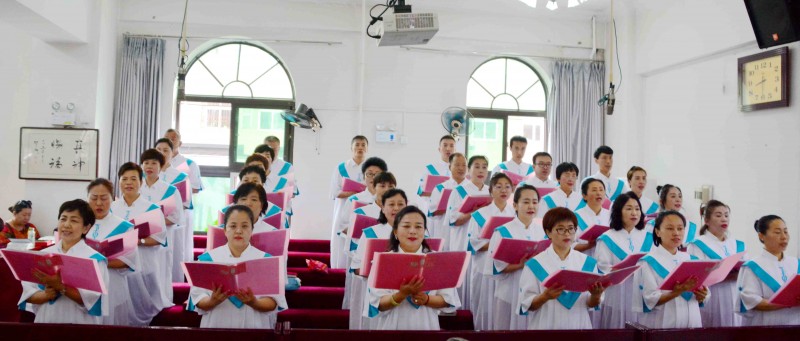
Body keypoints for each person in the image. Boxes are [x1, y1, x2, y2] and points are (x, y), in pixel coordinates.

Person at [189, 205, 288, 329]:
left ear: (252, 230)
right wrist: (212, 301)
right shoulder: (207, 260)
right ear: (225, 230)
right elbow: (197, 299)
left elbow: (274, 302)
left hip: (254, 326)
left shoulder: (266, 260)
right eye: (233, 226)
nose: (239, 231)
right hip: (217, 324)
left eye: (245, 226)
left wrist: (254, 302)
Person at [366, 206, 461, 330]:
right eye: (406, 226)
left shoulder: (437, 260)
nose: (412, 231)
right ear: (395, 231)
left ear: (424, 231)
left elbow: (448, 299)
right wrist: (401, 294)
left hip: (427, 325)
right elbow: (377, 303)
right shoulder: (383, 261)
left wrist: (426, 299)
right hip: (393, 326)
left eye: (418, 226)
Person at [18, 199, 109, 324]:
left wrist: (60, 286)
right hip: (46, 321)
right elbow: (28, 293)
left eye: (74, 220)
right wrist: (46, 295)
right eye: (63, 219)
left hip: (79, 323)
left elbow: (92, 300)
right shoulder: (43, 255)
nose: (66, 225)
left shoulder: (94, 259)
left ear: (86, 228)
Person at [517, 207, 606, 329]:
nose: (567, 233)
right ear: (548, 232)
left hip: (579, 326)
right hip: (546, 327)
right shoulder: (535, 264)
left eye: (571, 229)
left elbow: (590, 304)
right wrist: (545, 296)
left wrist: (596, 296)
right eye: (560, 229)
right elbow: (527, 304)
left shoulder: (588, 263)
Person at [110, 162, 171, 325]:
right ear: (119, 182)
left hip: (144, 263)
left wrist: (139, 241)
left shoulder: (152, 209)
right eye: (124, 179)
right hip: (119, 265)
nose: (128, 183)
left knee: (142, 306)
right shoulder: (112, 208)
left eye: (133, 179)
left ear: (141, 182)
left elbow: (159, 238)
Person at [633, 210, 708, 329]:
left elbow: (704, 292)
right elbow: (650, 299)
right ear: (657, 232)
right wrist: (676, 292)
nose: (676, 233)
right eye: (670, 228)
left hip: (693, 326)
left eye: (680, 228)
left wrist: (703, 295)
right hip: (662, 327)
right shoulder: (648, 262)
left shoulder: (693, 260)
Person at [488, 184, 545, 330]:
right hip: (510, 288)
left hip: (534, 290)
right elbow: (495, 267)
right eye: (526, 202)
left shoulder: (543, 232)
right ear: (515, 205)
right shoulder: (502, 232)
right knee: (508, 330)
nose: (531, 206)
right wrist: (520, 265)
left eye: (534, 202)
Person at [350, 189, 408, 330]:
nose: (396, 208)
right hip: (378, 292)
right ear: (382, 207)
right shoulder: (370, 233)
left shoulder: (418, 233)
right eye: (391, 204)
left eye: (400, 204)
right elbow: (356, 267)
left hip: (409, 293)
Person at [85, 178, 139, 326]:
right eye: (94, 198)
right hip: (84, 284)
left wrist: (99, 261)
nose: (98, 203)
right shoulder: (79, 224)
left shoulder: (124, 227)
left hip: (112, 284)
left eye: (104, 198)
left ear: (112, 199)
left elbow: (129, 261)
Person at [594, 192, 652, 329]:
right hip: (617, 294)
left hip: (643, 292)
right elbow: (602, 267)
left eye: (637, 209)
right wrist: (621, 270)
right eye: (628, 208)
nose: (634, 213)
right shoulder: (607, 238)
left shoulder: (649, 237)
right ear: (618, 211)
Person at [466, 172, 516, 330]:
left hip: (507, 269)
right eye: (499, 187)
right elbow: (473, 242)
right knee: (485, 307)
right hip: (484, 266)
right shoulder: (480, 214)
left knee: (503, 309)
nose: (504, 190)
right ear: (491, 190)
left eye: (507, 187)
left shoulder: (514, 214)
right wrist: (498, 243)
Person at [686, 200, 744, 327]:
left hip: (734, 294)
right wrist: (723, 275)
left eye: (726, 215)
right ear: (706, 221)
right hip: (713, 296)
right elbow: (695, 277)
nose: (724, 219)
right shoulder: (697, 245)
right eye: (718, 215)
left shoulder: (737, 244)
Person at [737, 215, 800, 326]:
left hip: (795, 324)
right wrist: (786, 303)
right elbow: (752, 301)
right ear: (761, 236)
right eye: (777, 232)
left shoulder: (795, 263)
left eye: (785, 232)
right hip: (767, 325)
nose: (784, 237)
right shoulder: (753, 266)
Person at [446, 155, 490, 310]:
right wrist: (474, 212)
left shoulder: (490, 192)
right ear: (469, 170)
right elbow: (453, 220)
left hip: (483, 244)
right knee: (463, 279)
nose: (481, 170)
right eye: (476, 166)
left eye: (484, 167)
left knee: (478, 282)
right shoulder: (459, 191)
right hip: (462, 240)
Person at [140, 149, 186, 286]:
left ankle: (163, 300)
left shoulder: (170, 190)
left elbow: (176, 217)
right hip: (139, 239)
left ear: (161, 166)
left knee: (160, 270)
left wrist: (153, 224)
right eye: (146, 163)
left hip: (161, 238)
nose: (149, 166)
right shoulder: (136, 188)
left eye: (154, 163)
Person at [329, 136, 369, 269]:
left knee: (361, 238)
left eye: (363, 145)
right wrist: (354, 193)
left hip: (364, 210)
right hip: (343, 209)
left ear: (367, 149)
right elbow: (334, 192)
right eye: (357, 145)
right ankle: (338, 269)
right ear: (351, 148)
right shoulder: (341, 168)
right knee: (340, 239)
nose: (360, 148)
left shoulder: (370, 169)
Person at [164, 129, 202, 268]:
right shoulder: (155, 165)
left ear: (180, 142)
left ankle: (180, 276)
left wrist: (174, 193)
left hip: (182, 210)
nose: (170, 140)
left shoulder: (189, 164)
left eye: (174, 138)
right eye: (167, 138)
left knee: (180, 247)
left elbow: (196, 188)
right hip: (160, 213)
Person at [428, 152, 467, 251]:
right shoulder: (440, 188)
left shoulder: (471, 189)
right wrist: (450, 207)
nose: (461, 168)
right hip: (444, 230)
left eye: (464, 165)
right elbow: (432, 212)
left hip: (463, 231)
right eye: (457, 165)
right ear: (450, 167)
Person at [416, 135, 454, 229]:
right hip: (435, 213)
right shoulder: (430, 169)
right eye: (445, 145)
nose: (448, 148)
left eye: (451, 145)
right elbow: (421, 192)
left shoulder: (459, 171)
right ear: (439, 149)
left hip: (453, 213)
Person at [572, 178, 610, 256]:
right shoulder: (575, 217)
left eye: (601, 190)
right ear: (584, 196)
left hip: (606, 261)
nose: (599, 193)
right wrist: (589, 245)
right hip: (584, 262)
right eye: (594, 190)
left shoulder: (611, 215)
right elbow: (570, 245)